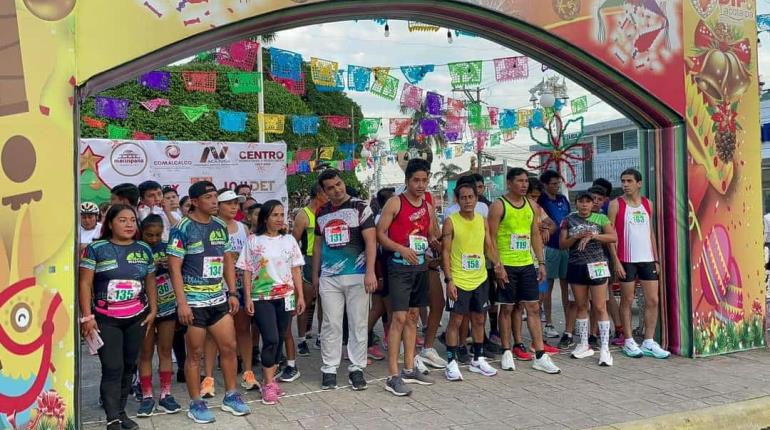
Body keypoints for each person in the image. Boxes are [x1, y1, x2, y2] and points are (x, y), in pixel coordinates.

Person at [167, 180, 250, 424]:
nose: (215, 201)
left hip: (218, 298)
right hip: (193, 302)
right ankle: (196, 402)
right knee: (194, 354)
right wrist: (182, 303)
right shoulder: (182, 228)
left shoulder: (219, 226)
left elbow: (226, 260)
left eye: (216, 196)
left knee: (229, 347)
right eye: (209, 197)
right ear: (194, 202)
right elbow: (174, 267)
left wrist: (232, 292)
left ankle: (231, 395)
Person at [79, 204, 158, 430]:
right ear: (110, 223)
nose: (129, 224)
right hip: (106, 319)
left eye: (132, 220)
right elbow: (84, 283)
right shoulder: (96, 249)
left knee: (128, 366)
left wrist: (153, 310)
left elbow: (150, 280)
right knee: (113, 367)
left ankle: (121, 412)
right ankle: (112, 417)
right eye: (122, 220)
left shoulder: (143, 249)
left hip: (136, 318)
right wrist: (87, 316)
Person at [488, 168, 561, 374]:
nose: (524, 185)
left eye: (525, 181)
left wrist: (541, 262)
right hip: (506, 266)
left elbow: (535, 236)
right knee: (508, 308)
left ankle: (539, 354)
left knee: (533, 308)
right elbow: (490, 238)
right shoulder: (499, 205)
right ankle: (506, 350)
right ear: (509, 183)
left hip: (527, 264)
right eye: (519, 181)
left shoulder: (531, 205)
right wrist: (498, 266)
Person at [312, 169, 377, 391]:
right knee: (331, 323)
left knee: (358, 322)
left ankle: (356, 368)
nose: (336, 190)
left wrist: (370, 272)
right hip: (329, 277)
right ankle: (329, 369)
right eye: (330, 187)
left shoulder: (360, 207)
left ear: (343, 182)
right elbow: (318, 245)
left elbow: (370, 242)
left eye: (338, 184)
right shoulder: (321, 212)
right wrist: (315, 275)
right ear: (324, 191)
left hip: (358, 274)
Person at [376, 159, 436, 396]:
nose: (421, 185)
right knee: (398, 318)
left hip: (420, 268)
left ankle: (410, 368)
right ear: (407, 180)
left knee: (412, 317)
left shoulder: (429, 206)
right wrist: (401, 249)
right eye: (416, 180)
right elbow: (381, 235)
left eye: (424, 180)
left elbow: (431, 235)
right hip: (398, 267)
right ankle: (393, 375)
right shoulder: (394, 203)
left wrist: (441, 240)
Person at [237, 200, 306, 405]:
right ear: (265, 218)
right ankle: (267, 383)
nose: (279, 219)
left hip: (285, 296)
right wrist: (248, 297)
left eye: (281, 215)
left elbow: (295, 269)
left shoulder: (289, 240)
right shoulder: (254, 240)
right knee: (271, 338)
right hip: (262, 297)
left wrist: (300, 296)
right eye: (274, 215)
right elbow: (247, 270)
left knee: (281, 336)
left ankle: (272, 380)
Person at [441, 181, 505, 381]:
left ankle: (478, 358)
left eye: (471, 197)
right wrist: (449, 279)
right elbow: (445, 252)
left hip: (480, 279)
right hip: (459, 280)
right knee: (456, 320)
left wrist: (498, 265)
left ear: (476, 199)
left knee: (479, 319)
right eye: (463, 197)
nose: (468, 201)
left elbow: (488, 247)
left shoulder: (481, 220)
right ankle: (451, 361)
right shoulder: (451, 221)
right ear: (457, 200)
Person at [608, 169, 670, 359]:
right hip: (626, 260)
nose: (625, 184)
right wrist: (616, 261)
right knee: (627, 300)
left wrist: (656, 258)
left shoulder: (647, 204)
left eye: (629, 181)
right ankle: (628, 340)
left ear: (639, 183)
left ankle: (649, 341)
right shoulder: (615, 204)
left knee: (653, 300)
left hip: (647, 259)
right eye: (623, 181)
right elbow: (610, 235)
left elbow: (650, 232)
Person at [201, 189, 253, 396]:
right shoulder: (209, 228)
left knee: (243, 329)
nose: (234, 207)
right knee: (212, 335)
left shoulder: (243, 228)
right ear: (218, 206)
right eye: (229, 203)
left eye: (236, 203)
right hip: (215, 287)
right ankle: (209, 377)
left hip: (239, 287)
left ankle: (248, 372)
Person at [560, 191, 617, 366]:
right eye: (581, 202)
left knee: (600, 306)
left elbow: (613, 237)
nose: (584, 205)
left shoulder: (601, 219)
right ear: (576, 203)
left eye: (588, 202)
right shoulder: (569, 219)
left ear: (593, 204)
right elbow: (562, 245)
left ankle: (605, 349)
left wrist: (594, 235)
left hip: (598, 265)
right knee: (581, 305)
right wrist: (574, 237)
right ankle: (584, 344)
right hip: (576, 266)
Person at [137, 215, 181, 417]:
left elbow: (179, 271)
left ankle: (165, 393)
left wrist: (169, 264)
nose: (153, 239)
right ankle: (146, 395)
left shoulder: (168, 247)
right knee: (145, 353)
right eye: (149, 235)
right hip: (143, 309)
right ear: (142, 232)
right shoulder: (137, 249)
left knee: (165, 350)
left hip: (168, 305)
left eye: (157, 235)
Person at [537, 170, 574, 347]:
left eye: (558, 183)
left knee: (566, 286)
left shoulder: (563, 199)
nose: (556, 186)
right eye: (553, 183)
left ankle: (569, 324)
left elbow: (569, 219)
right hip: (549, 247)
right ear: (545, 184)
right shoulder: (541, 200)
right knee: (547, 287)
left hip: (565, 247)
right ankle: (548, 323)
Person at [293, 183, 328, 357]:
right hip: (308, 259)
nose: (329, 195)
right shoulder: (303, 215)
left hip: (326, 260)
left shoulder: (327, 212)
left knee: (325, 302)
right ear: (318, 194)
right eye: (326, 192)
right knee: (305, 302)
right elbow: (294, 242)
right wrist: (297, 265)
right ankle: (301, 339)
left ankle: (321, 336)